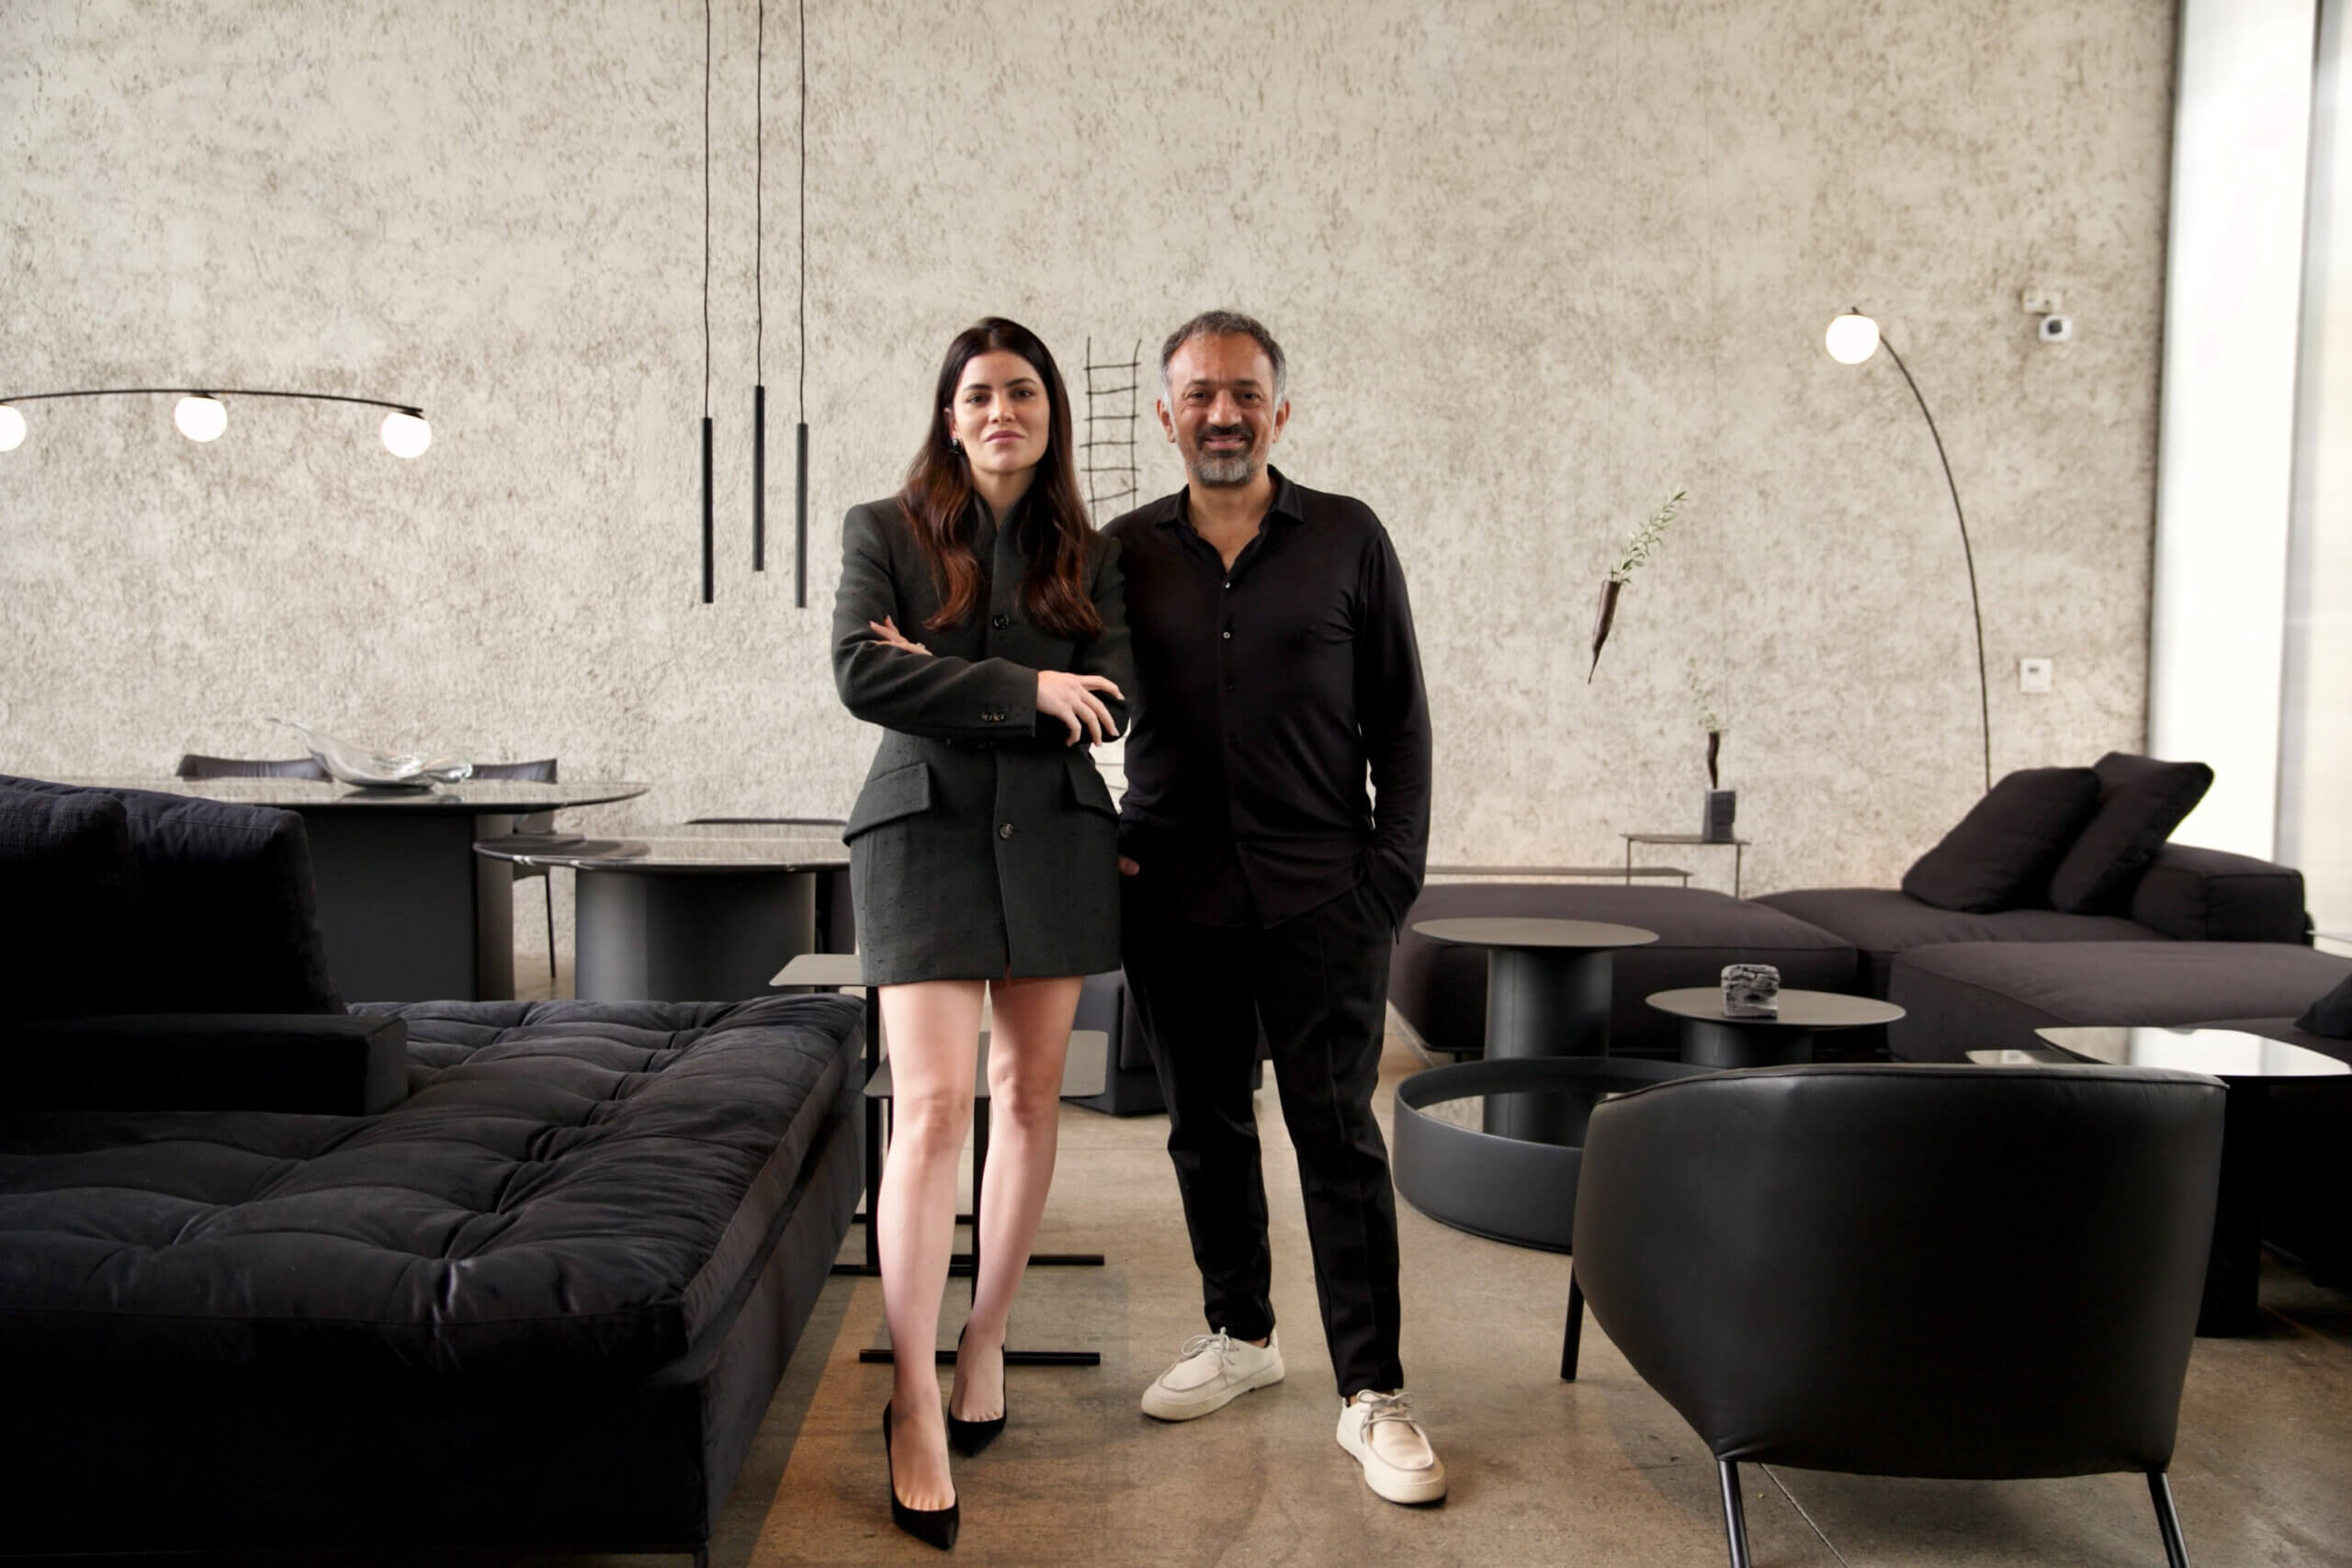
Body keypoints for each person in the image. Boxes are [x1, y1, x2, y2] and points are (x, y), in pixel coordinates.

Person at [1103, 310, 1442, 1505]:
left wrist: (1388, 881)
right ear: (1167, 415)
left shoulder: (1349, 537)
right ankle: (1241, 1334)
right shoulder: (1120, 552)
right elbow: (1066, 699)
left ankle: (1374, 1391)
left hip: (1324, 897)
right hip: (1172, 895)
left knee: (1338, 1138)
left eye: (1244, 393)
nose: (1223, 414)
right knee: (1205, 1127)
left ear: (1280, 411)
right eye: (1200, 394)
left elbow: (1402, 723)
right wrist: (1105, 852)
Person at [832, 317, 1132, 1549]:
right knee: (932, 1112)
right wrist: (1027, 690)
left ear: (1050, 413)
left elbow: (1112, 702)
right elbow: (861, 675)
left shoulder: (1095, 554)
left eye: (1022, 392)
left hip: (1056, 842)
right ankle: (911, 1395)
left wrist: (944, 677)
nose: (1001, 410)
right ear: (949, 418)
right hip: (921, 839)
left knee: (1030, 1098)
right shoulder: (882, 531)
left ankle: (987, 1334)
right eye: (978, 395)